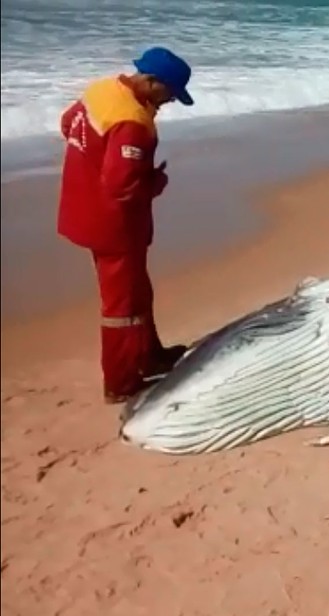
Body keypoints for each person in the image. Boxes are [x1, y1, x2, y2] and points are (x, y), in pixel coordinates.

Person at [57, 47, 196, 404]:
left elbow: (66, 123)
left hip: (82, 209)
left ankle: (149, 356)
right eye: (169, 94)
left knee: (137, 291)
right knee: (121, 306)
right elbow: (123, 186)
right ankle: (120, 383)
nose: (169, 103)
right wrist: (155, 183)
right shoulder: (131, 121)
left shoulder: (102, 91)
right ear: (151, 82)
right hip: (113, 226)